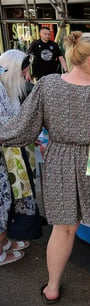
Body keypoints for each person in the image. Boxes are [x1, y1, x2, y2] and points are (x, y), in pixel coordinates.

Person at [0, 32, 90, 302]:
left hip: (58, 159)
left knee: (63, 227)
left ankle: (52, 286)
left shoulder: (47, 85)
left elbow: (23, 126)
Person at [0, 50, 34, 266]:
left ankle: (4, 242)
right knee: (2, 202)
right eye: (23, 71)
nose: (26, 76)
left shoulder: (6, 88)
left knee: (7, 200)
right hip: (4, 152)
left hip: (8, 153)